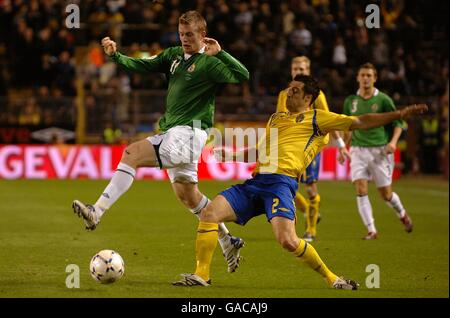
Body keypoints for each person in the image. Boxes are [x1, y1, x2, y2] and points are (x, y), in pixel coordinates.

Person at [172, 75, 427, 287]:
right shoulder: (276, 118)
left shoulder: (318, 118)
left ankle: (333, 278)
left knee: (288, 241)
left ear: (307, 98)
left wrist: (399, 114)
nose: (288, 93)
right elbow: (264, 152)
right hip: (256, 182)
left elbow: (360, 121)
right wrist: (233, 155)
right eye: (288, 89)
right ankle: (202, 275)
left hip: (282, 184)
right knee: (209, 213)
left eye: (294, 91)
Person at [72, 11, 250, 273]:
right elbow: (143, 66)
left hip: (189, 133)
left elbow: (243, 75)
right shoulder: (173, 56)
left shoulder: (210, 64)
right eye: (181, 34)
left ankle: (97, 211)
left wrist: (221, 53)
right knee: (188, 196)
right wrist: (115, 56)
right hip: (176, 133)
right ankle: (227, 240)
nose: (185, 39)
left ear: (203, 34)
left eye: (190, 35)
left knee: (131, 153)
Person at [276, 56, 348, 242]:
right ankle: (309, 210)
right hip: (288, 148)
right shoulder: (284, 94)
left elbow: (329, 120)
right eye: (295, 68)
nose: (298, 71)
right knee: (282, 185)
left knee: (310, 188)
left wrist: (340, 145)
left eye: (302, 68)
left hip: (309, 147)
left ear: (307, 71)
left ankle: (311, 230)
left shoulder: (317, 95)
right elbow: (279, 120)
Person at [338, 63, 413, 240]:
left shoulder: (384, 100)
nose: (365, 78)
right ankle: (372, 230)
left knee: (386, 195)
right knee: (360, 188)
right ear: (357, 77)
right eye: (362, 75)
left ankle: (402, 213)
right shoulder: (350, 101)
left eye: (369, 75)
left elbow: (398, 123)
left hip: (380, 151)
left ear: (375, 78)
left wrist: (393, 142)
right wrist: (343, 148)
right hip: (357, 150)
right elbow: (347, 127)